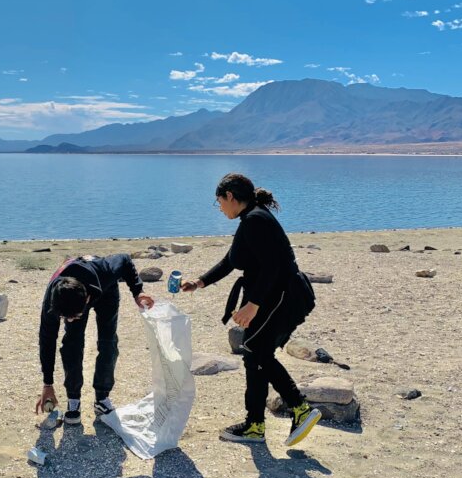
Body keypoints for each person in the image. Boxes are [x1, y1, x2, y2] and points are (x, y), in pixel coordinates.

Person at [182, 173, 322, 447]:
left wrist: (252, 305)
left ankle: (299, 408)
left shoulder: (256, 220)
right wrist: (200, 282)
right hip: (275, 295)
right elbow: (232, 260)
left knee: (256, 351)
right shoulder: (251, 219)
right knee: (255, 353)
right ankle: (255, 424)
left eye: (219, 202)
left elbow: (273, 267)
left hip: (282, 297)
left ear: (230, 197)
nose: (220, 208)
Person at [36, 254, 155, 424]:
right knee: (72, 344)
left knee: (108, 343)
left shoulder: (107, 269)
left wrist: (138, 291)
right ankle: (73, 399)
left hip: (105, 289)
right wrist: (47, 384)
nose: (69, 320)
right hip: (73, 296)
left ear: (87, 299)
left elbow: (125, 260)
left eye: (74, 316)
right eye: (65, 317)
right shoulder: (53, 298)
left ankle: (102, 398)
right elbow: (47, 339)